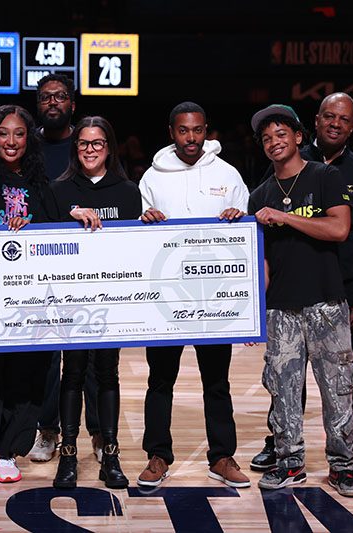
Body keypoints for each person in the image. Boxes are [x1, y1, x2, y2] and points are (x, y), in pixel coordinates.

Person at [0, 105, 98, 484]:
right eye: (3, 133)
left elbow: (54, 225)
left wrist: (61, 217)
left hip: (27, 296)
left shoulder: (37, 177)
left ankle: (8, 451)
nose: (11, 141)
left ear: (28, 139)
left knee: (25, 372)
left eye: (19, 134)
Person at [250, 93, 353, 480]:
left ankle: (344, 465)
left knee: (338, 389)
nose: (274, 141)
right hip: (281, 307)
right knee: (284, 390)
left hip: (328, 301)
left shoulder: (327, 176)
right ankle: (289, 462)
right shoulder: (260, 194)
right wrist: (252, 309)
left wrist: (287, 217)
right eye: (266, 138)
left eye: (281, 134)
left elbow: (340, 229)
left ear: (297, 136)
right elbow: (260, 259)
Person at [136, 101, 250, 489]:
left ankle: (221, 456)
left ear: (207, 130)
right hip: (167, 297)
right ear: (171, 131)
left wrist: (240, 217)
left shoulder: (228, 174)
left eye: (198, 130)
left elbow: (246, 237)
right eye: (183, 131)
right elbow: (137, 238)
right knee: (159, 380)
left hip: (213, 298)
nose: (191, 138)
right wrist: (144, 219)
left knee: (216, 381)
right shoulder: (151, 177)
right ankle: (157, 455)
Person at [49, 116, 141, 489]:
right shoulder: (58, 191)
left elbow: (136, 250)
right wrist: (65, 221)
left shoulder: (128, 191)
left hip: (112, 301)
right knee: (71, 373)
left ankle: (111, 454)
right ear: (75, 148)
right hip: (71, 301)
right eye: (83, 143)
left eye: (97, 143)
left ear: (109, 148)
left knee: (108, 373)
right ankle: (68, 456)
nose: (90, 149)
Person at [29, 73, 102, 463]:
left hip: (88, 268)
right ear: (37, 104)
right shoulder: (28, 146)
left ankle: (94, 431)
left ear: (72, 104)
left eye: (60, 96)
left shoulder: (86, 143)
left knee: (89, 358)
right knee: (47, 356)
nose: (53, 102)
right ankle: (47, 430)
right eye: (45, 97)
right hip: (45, 264)